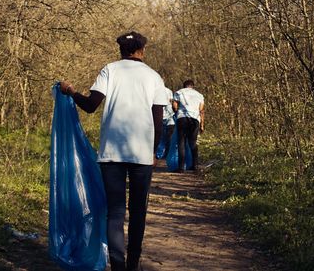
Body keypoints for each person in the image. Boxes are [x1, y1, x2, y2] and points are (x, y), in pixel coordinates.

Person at [59, 31, 167, 271]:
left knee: (115, 213)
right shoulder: (154, 77)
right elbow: (157, 120)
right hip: (141, 155)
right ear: (143, 50)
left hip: (112, 154)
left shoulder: (110, 70)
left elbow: (90, 106)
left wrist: (71, 91)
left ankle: (118, 266)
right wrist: (153, 152)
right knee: (138, 212)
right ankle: (133, 264)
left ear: (120, 50)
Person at [172, 79, 205, 172]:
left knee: (181, 142)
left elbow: (174, 106)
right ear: (192, 86)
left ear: (184, 86)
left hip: (182, 119)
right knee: (193, 143)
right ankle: (195, 166)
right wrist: (202, 125)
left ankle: (181, 167)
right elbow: (201, 111)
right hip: (195, 120)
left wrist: (176, 112)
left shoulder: (179, 92)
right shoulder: (199, 95)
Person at [160, 87, 175, 158]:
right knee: (168, 136)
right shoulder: (168, 91)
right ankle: (166, 153)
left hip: (163, 117)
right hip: (169, 117)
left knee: (162, 136)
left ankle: (160, 154)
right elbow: (170, 103)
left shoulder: (155, 90)